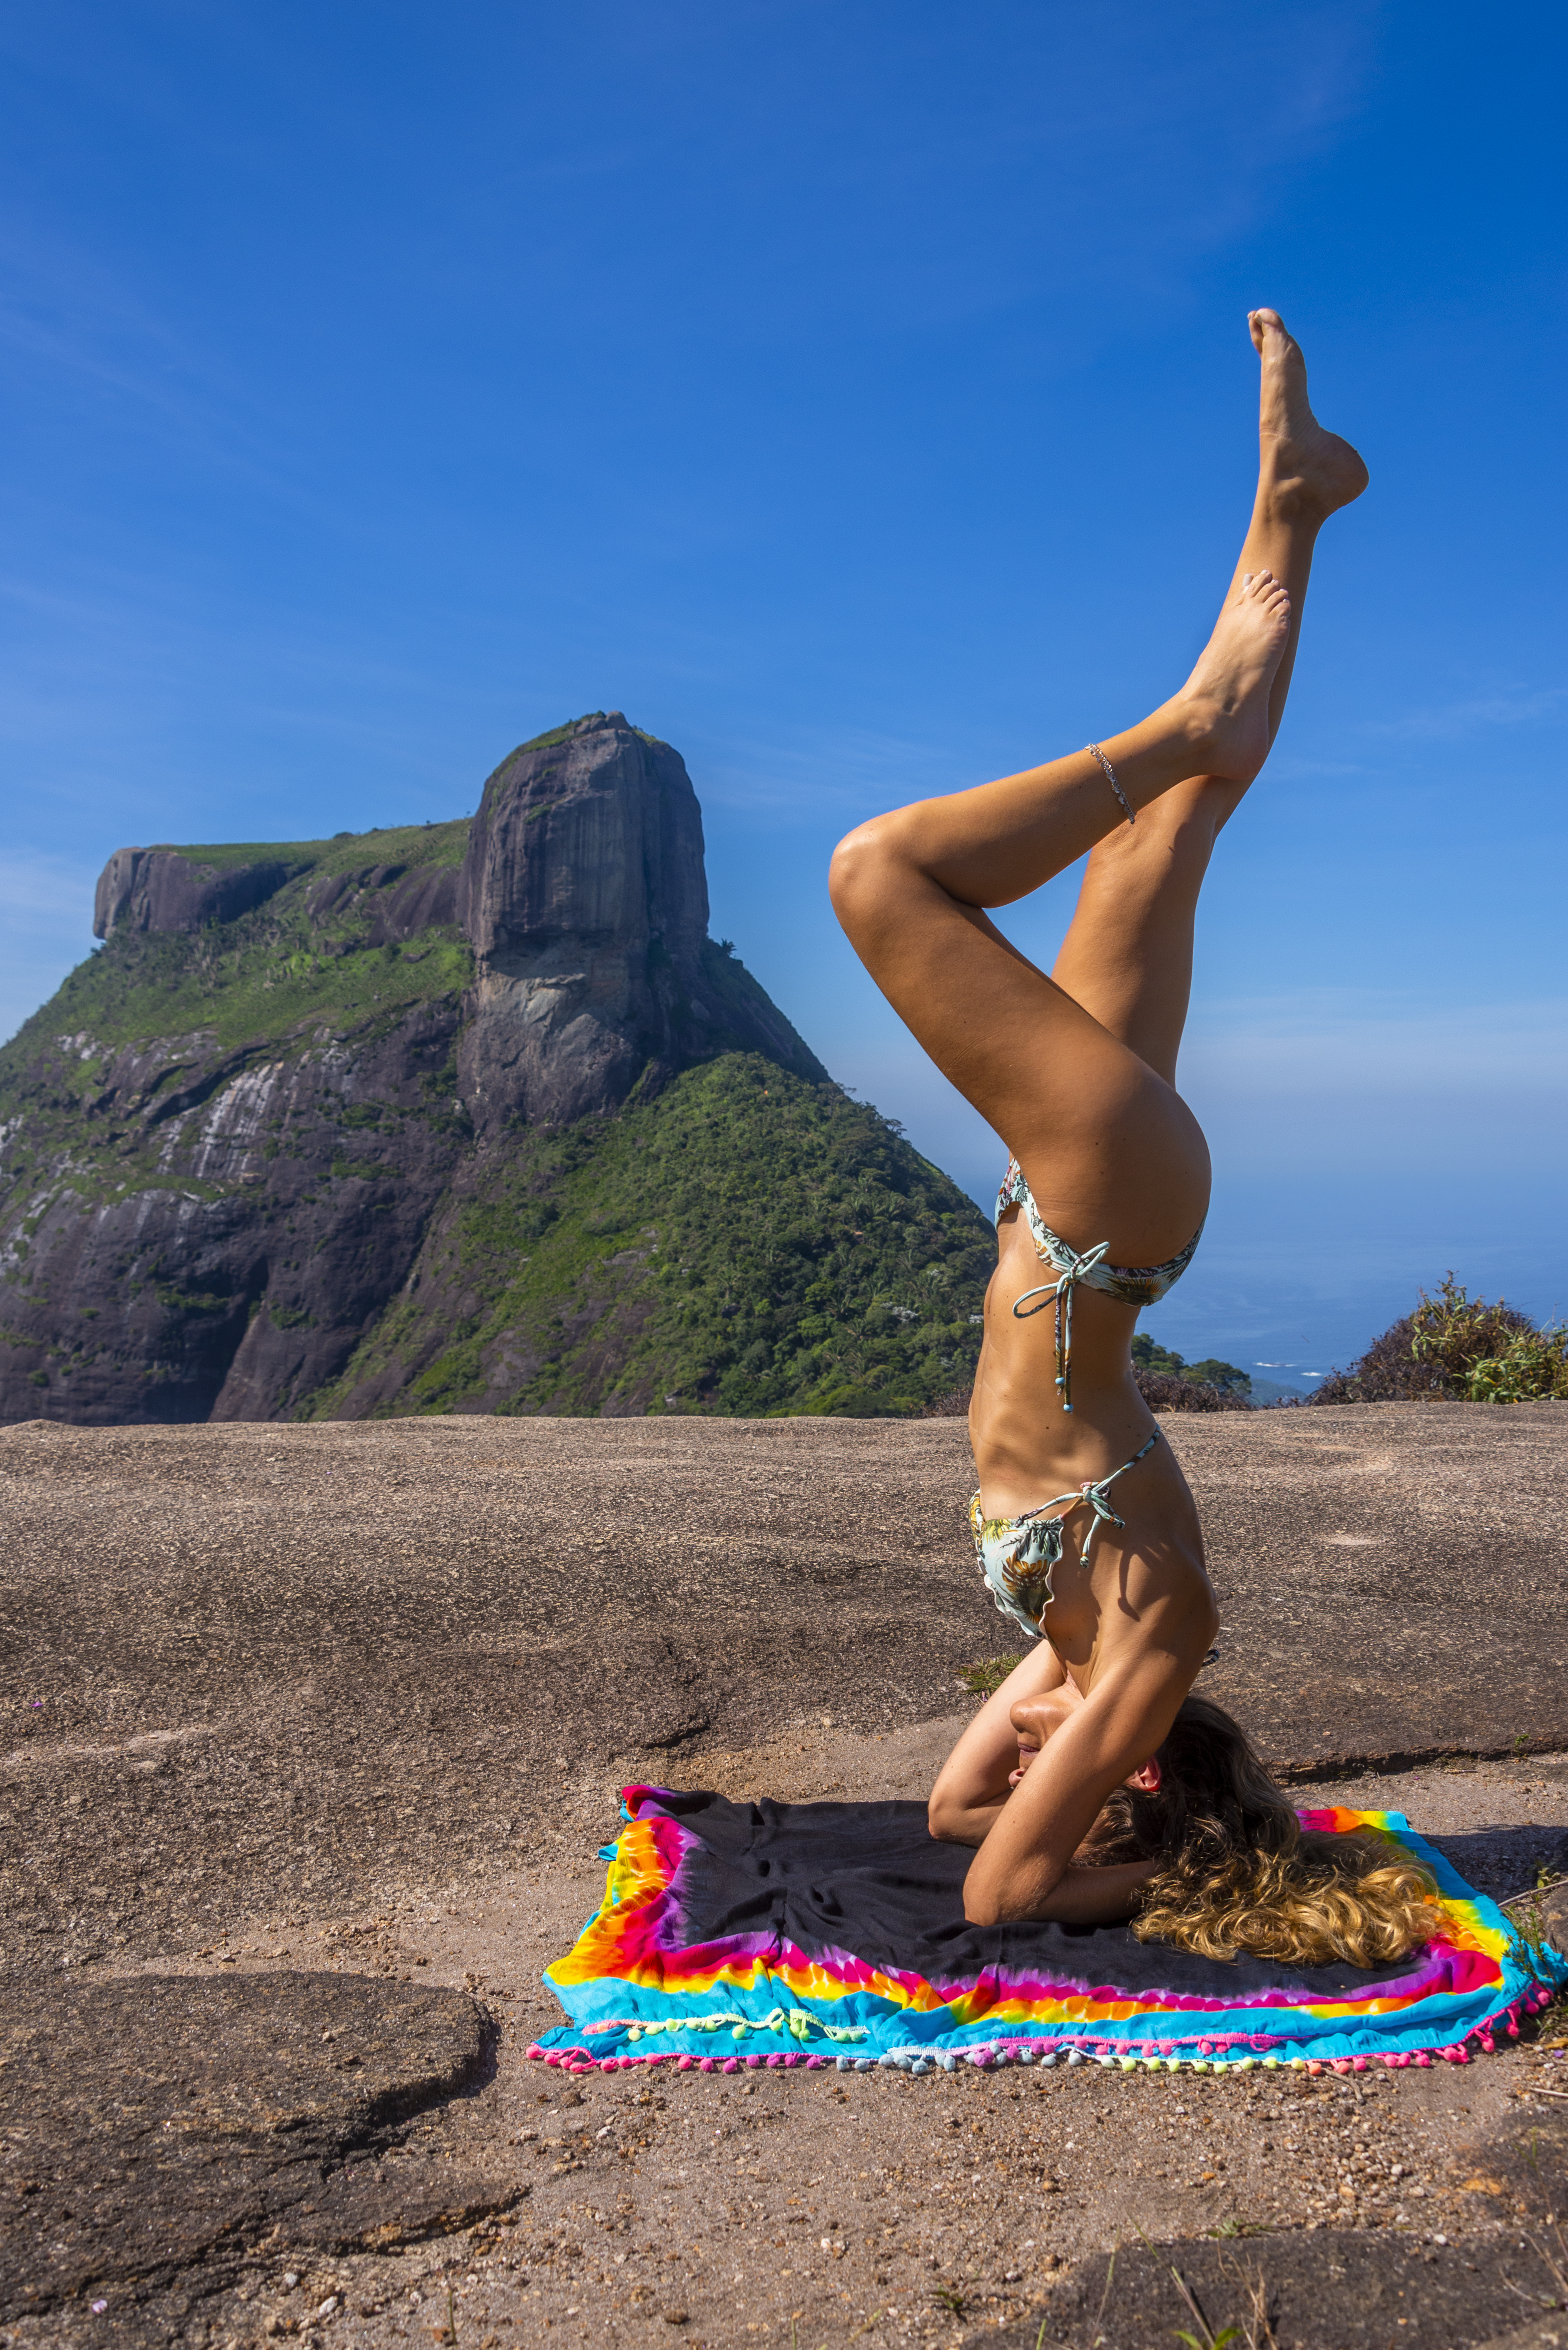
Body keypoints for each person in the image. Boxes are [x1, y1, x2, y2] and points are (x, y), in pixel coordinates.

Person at [829, 312, 1425, 1955]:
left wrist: (1058, 1759)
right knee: (881, 874)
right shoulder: (1157, 1644)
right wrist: (1186, 1875)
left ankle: (1295, 503)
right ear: (1136, 1777)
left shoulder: (1090, 1660)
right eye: (1071, 1770)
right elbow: (1004, 1892)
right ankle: (1188, 708)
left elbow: (957, 1822)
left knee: (1159, 836)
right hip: (1106, 1213)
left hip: (1067, 1209)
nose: (1026, 1754)